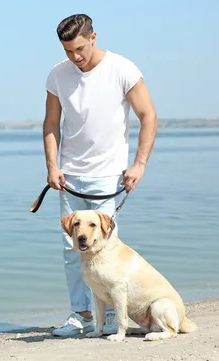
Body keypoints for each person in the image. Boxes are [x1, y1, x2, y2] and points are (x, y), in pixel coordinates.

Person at [42, 13, 158, 337]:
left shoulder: (122, 69)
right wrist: (52, 166)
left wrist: (139, 164)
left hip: (109, 176)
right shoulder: (57, 76)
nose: (75, 57)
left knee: (106, 248)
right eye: (68, 51)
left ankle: (109, 318)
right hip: (69, 175)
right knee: (72, 248)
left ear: (93, 37)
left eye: (79, 48)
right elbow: (51, 124)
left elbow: (148, 116)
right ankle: (81, 315)